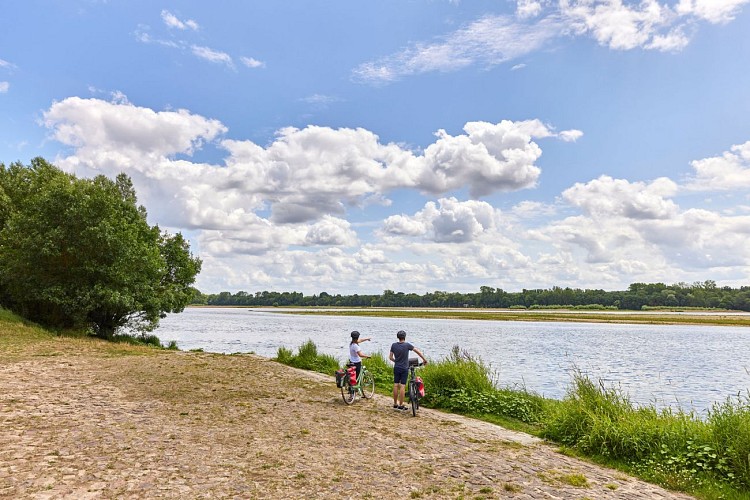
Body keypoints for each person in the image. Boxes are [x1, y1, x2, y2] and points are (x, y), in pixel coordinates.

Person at [389, 330, 427, 410]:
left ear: (398, 337)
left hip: (397, 367)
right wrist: (424, 359)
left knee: (396, 385)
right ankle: (401, 404)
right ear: (404, 337)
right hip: (404, 368)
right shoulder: (407, 345)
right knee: (402, 386)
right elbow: (418, 352)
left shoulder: (393, 345)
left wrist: (396, 361)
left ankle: (395, 403)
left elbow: (390, 357)